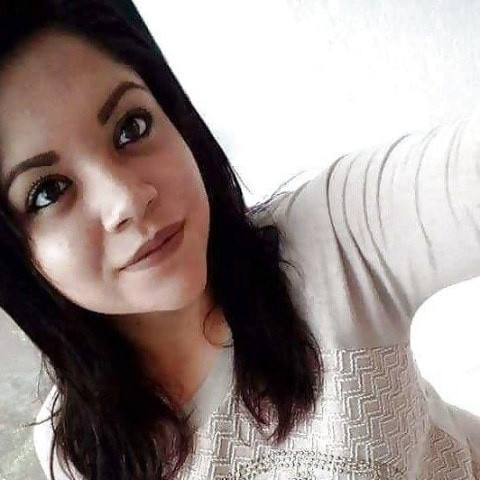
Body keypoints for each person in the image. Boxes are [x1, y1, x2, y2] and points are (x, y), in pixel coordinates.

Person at [0, 1, 479, 479]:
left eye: (132, 127)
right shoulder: (77, 449)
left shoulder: (336, 240)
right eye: (48, 191)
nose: (126, 200)